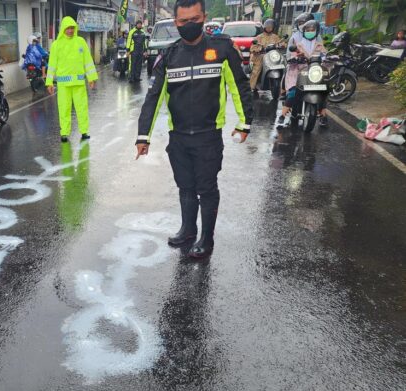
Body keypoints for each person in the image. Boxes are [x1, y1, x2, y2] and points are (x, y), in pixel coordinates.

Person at [135, 0, 253, 258]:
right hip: (178, 138)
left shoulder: (221, 50)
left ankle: (206, 239)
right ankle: (188, 230)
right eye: (183, 21)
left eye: (194, 19)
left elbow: (240, 87)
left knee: (207, 188)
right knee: (185, 187)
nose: (189, 25)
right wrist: (143, 136)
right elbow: (153, 97)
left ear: (204, 17)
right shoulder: (168, 55)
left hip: (208, 137)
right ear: (176, 22)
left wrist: (245, 123)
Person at [46, 17, 98, 143]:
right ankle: (64, 133)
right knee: (64, 108)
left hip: (79, 83)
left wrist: (91, 78)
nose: (70, 30)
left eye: (72, 28)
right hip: (63, 84)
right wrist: (49, 82)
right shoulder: (56, 45)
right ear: (63, 29)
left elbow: (88, 61)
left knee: (82, 108)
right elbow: (52, 64)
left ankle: (84, 131)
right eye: (68, 28)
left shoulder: (81, 42)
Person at [277, 20, 328, 128]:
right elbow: (291, 56)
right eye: (307, 30)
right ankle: (282, 115)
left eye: (312, 30)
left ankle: (323, 115)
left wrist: (327, 59)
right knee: (293, 93)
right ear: (304, 32)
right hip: (298, 72)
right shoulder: (298, 45)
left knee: (323, 92)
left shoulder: (319, 45)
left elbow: (325, 56)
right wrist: (295, 58)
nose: (310, 32)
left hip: (314, 74)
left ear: (316, 31)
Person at [250, 19, 282, 93]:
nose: (269, 28)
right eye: (267, 27)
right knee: (256, 70)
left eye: (270, 27)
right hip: (261, 56)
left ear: (273, 28)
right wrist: (258, 49)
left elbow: (281, 43)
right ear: (264, 27)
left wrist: (281, 45)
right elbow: (253, 48)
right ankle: (252, 86)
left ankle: (283, 88)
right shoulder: (259, 37)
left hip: (272, 56)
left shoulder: (275, 37)